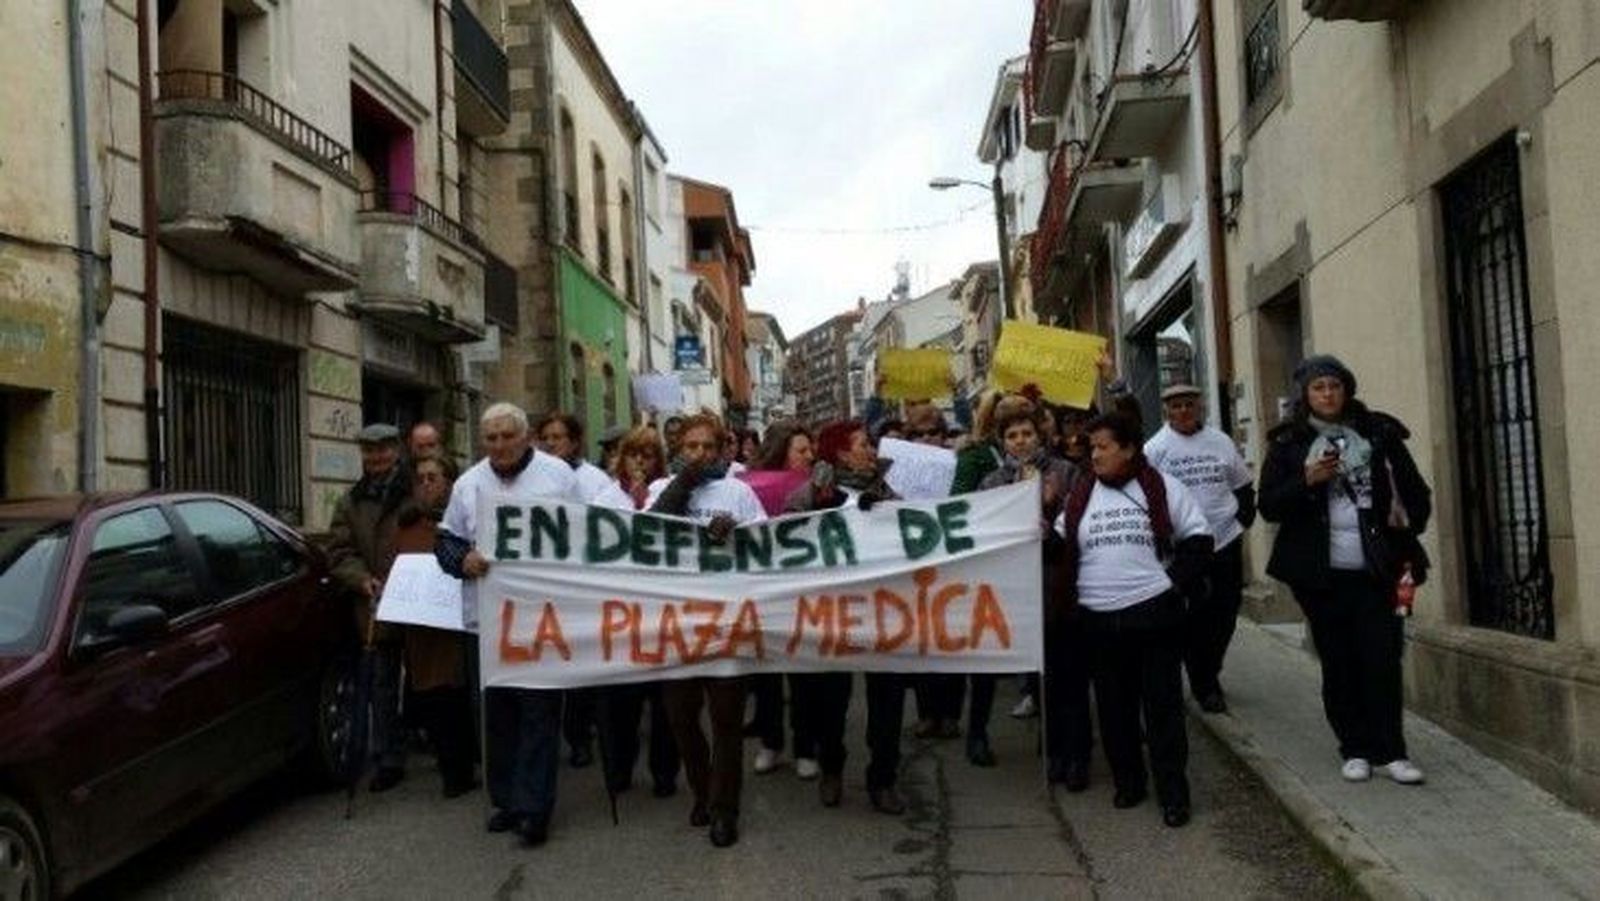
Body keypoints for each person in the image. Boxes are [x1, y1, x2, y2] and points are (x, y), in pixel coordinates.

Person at [1258, 355, 1432, 786]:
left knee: (1382, 660)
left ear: (1346, 390)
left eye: (1334, 386)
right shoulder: (1289, 444)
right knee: (1339, 663)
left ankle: (1392, 751)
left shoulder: (1379, 433)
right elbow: (1269, 506)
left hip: (1378, 571)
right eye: (1318, 388)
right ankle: (1354, 748)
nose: (1328, 394)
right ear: (1306, 395)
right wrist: (1307, 481)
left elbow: (1415, 493)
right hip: (1321, 577)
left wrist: (1404, 531)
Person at [435, 402, 583, 848]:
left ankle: (535, 809)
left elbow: (583, 536)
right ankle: (505, 800)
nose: (499, 446)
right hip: (487, 624)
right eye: (491, 438)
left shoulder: (559, 477)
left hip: (544, 621)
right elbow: (445, 541)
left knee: (539, 715)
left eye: (507, 436)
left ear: (526, 437)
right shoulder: (467, 484)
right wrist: (462, 558)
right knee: (496, 717)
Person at [1057, 411, 1213, 828]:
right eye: (1092, 448)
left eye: (1104, 446)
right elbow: (1058, 543)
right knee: (1114, 708)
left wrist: (1171, 585)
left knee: (1161, 708)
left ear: (1128, 449)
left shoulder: (1161, 487)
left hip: (1153, 615)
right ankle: (1128, 781)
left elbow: (1199, 540)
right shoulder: (1080, 494)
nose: (1095, 455)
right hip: (1097, 619)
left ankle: (1173, 793)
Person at [647, 413, 767, 848]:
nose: (699, 454)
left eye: (707, 447)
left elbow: (765, 546)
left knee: (726, 722)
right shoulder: (663, 489)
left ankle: (724, 808)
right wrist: (684, 486)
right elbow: (646, 533)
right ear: (679, 450)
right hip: (675, 623)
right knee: (681, 719)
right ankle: (701, 789)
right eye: (690, 447)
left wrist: (735, 535)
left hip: (727, 623)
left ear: (721, 450)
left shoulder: (738, 492)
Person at [784, 419, 908, 816]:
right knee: (830, 702)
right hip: (831, 612)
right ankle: (832, 767)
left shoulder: (888, 492)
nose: (870, 450)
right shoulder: (811, 493)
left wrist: (886, 513)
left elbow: (912, 536)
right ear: (839, 453)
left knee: (887, 702)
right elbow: (785, 535)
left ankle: (883, 778)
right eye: (861, 444)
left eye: (870, 444)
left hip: (883, 611)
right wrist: (824, 509)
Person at [978, 404, 1091, 788]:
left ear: (1039, 436)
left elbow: (1079, 521)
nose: (1020, 441)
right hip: (1017, 591)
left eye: (1026, 433)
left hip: (1059, 585)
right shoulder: (993, 482)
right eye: (1012, 436)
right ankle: (1054, 751)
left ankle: (1077, 756)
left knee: (1068, 677)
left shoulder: (1065, 471)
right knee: (1041, 680)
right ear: (1003, 441)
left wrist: (1052, 506)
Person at [1144, 385, 1257, 714]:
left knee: (1225, 611)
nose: (1183, 411)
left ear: (1200, 407)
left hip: (1224, 538)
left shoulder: (1220, 441)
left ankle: (1210, 666)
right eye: (1176, 406)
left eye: (1189, 405)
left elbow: (1242, 483)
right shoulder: (1156, 448)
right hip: (1186, 546)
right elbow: (1149, 496)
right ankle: (1204, 682)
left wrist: (1243, 516)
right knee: (1194, 615)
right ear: (1167, 411)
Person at [535, 412, 628, 769]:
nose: (551, 444)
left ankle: (579, 737)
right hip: (543, 585)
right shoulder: (532, 476)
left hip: (580, 584)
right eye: (546, 437)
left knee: (577, 667)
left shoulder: (593, 480)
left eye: (558, 437)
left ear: (574, 442)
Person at [594, 426, 681, 800]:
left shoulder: (669, 494)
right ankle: (619, 768)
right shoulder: (605, 498)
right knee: (621, 705)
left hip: (663, 615)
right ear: (623, 459)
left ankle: (664, 772)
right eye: (634, 454)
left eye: (648, 454)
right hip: (621, 616)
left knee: (665, 704)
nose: (641, 461)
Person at [324, 422, 412, 793]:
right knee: (381, 683)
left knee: (432, 679)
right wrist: (360, 579)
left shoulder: (416, 490)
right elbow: (340, 551)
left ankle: (448, 752)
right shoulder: (349, 501)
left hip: (418, 596)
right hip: (375, 602)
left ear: (396, 450)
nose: (376, 457)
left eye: (383, 449)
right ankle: (387, 757)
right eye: (369, 451)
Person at [394, 454, 477, 798]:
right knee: (434, 703)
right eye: (421, 478)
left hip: (458, 627)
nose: (427, 484)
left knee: (461, 700)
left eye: (434, 477)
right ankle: (451, 772)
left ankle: (467, 765)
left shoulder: (462, 521)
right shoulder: (405, 526)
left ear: (449, 482)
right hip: (423, 633)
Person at [738, 421, 816, 778]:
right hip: (763, 593)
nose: (809, 456)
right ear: (782, 451)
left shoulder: (819, 485)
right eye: (801, 450)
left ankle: (805, 747)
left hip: (805, 592)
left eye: (810, 449)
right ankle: (771, 742)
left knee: (803, 676)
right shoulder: (746, 488)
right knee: (766, 674)